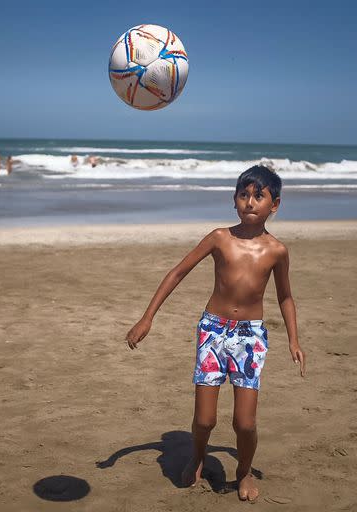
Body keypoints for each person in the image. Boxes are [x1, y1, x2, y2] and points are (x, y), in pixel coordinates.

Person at [125, 165, 305, 502]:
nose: (250, 202)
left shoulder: (277, 251)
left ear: (275, 205)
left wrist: (294, 340)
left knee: (244, 424)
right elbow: (177, 272)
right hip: (213, 331)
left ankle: (244, 470)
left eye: (259, 196)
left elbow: (285, 296)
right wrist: (147, 318)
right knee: (204, 419)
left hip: (250, 338)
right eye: (243, 195)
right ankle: (197, 455)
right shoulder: (219, 238)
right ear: (234, 200)